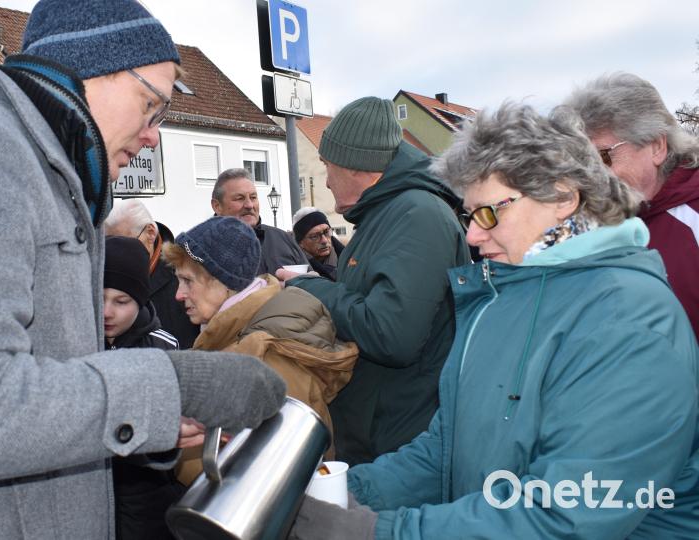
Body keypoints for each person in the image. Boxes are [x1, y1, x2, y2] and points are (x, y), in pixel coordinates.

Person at [0, 2, 287, 538]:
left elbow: (42, 387)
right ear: (91, 69)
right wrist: (169, 385)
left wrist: (155, 426)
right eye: (151, 106)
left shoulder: (42, 177)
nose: (155, 134)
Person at [287, 103, 699, 540]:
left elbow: (567, 515)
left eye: (488, 212)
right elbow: (445, 449)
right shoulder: (500, 299)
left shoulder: (630, 320)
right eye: (470, 214)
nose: (471, 235)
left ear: (562, 197)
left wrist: (379, 532)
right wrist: (344, 494)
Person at [276, 97, 469, 466]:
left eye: (328, 166)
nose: (327, 181)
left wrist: (309, 289)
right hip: (380, 431)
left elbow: (390, 334)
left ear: (357, 167)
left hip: (400, 441)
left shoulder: (417, 216)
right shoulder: (390, 213)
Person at [164, 216, 358, 484]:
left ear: (222, 281)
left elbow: (266, 475)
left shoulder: (268, 355)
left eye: (188, 281)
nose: (178, 294)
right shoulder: (239, 333)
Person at [560, 72, 699, 337]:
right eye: (582, 161)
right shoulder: (582, 225)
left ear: (657, 146)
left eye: (603, 156)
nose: (592, 174)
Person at [102, 236, 186, 540]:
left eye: (121, 301)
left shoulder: (163, 349)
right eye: (99, 298)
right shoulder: (78, 346)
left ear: (140, 300)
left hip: (150, 505)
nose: (107, 311)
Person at [106, 199, 200, 348]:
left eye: (125, 241)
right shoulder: (101, 274)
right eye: (108, 242)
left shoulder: (188, 273)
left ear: (150, 233)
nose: (115, 250)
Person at [211, 168, 308, 275]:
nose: (249, 205)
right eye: (239, 198)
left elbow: (312, 284)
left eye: (253, 197)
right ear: (217, 206)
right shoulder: (199, 250)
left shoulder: (283, 238)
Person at [292, 207, 344, 281]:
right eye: (314, 236)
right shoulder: (295, 267)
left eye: (326, 232)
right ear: (301, 243)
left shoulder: (349, 257)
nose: (324, 240)